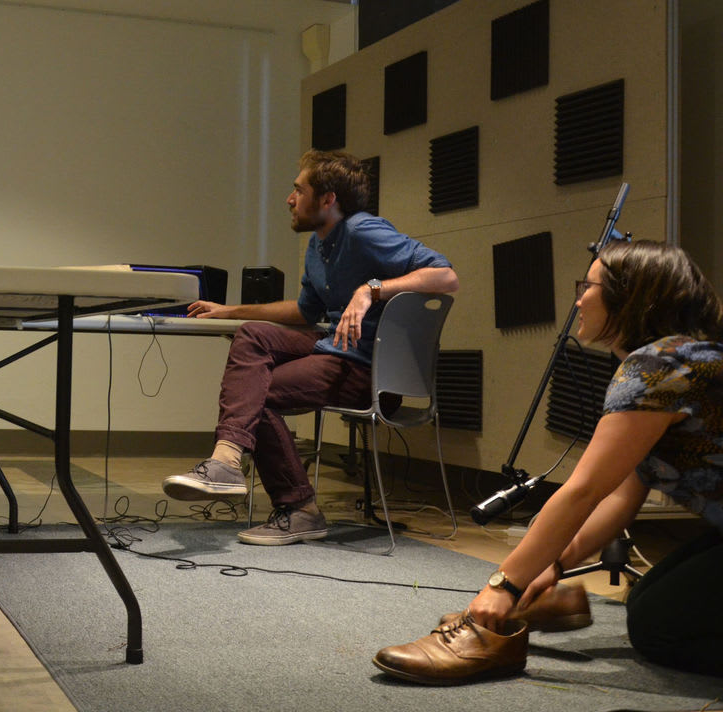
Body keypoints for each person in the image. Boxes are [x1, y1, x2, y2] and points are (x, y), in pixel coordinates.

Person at [373, 239, 723, 685]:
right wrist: (552, 566)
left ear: (633, 297)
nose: (579, 298)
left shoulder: (658, 367)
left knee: (657, 629)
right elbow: (620, 496)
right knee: (645, 602)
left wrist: (504, 586)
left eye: (588, 285)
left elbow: (583, 490)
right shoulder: (685, 358)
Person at [160, 149, 459, 545]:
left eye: (298, 190)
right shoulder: (318, 247)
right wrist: (230, 311)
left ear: (328, 199)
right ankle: (226, 461)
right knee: (252, 334)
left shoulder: (362, 230)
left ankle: (300, 509)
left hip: (365, 368)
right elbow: (304, 311)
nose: (289, 199)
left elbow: (446, 276)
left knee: (258, 393)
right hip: (330, 349)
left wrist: (371, 289)